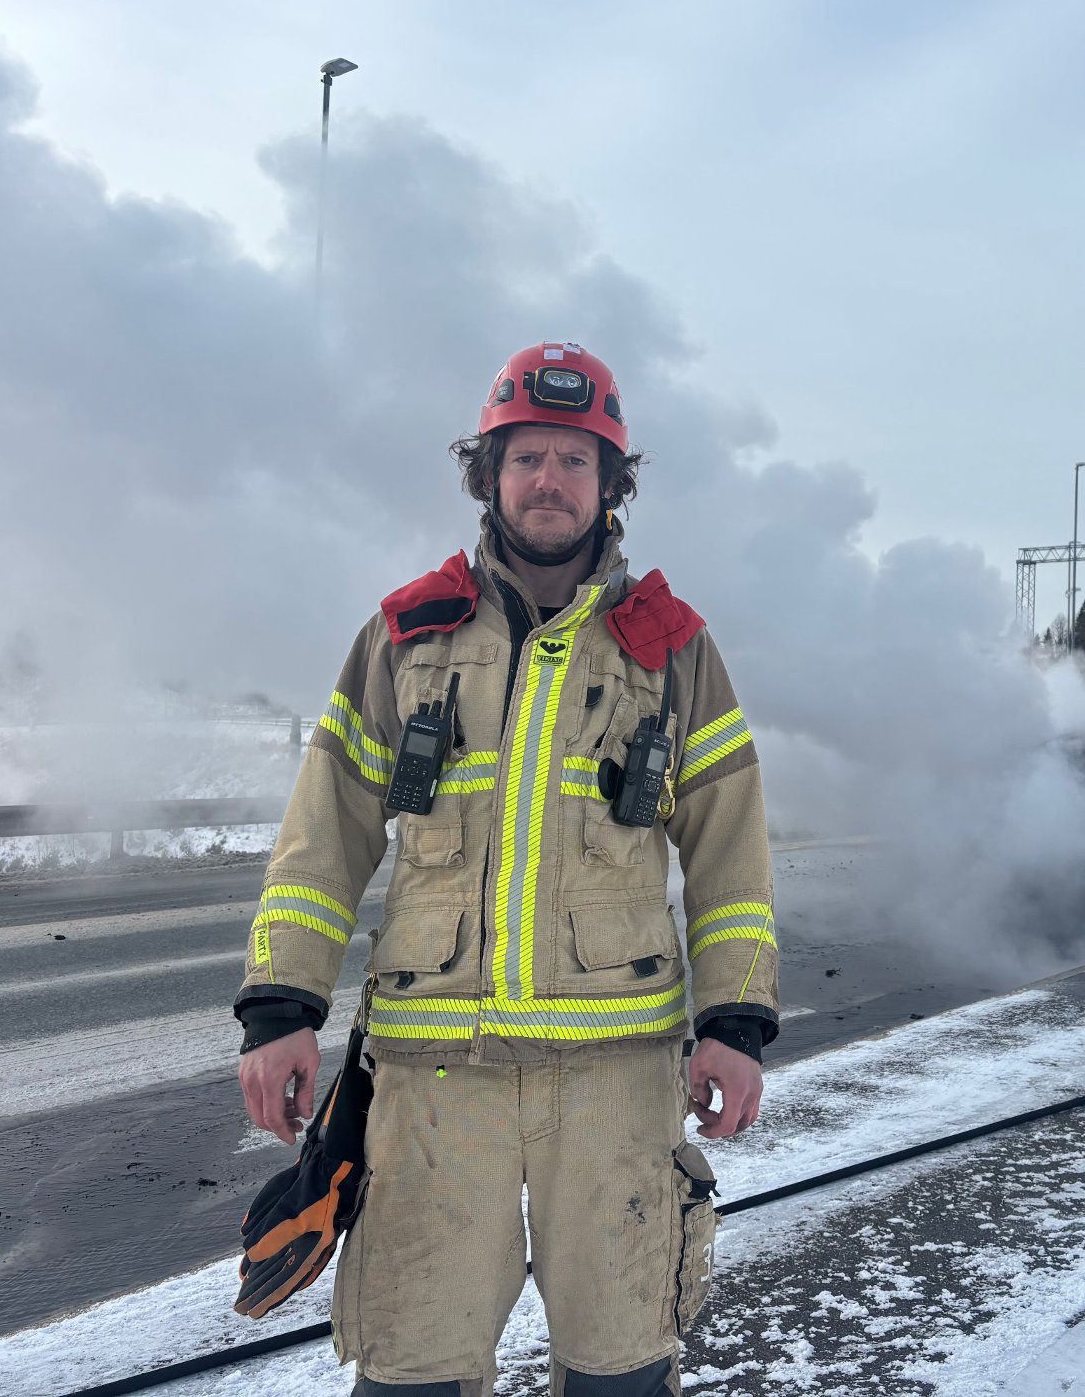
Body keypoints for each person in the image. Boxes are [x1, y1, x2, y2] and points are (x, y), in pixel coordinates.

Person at [233, 341, 779, 1397]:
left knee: (621, 1368)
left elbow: (730, 853)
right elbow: (323, 833)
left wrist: (734, 1025)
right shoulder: (405, 634)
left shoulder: (669, 648)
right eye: (525, 456)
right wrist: (280, 1008)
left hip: (614, 1086)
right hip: (438, 1086)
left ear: (610, 487)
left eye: (575, 461)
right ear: (487, 474)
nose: (547, 482)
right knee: (413, 1374)